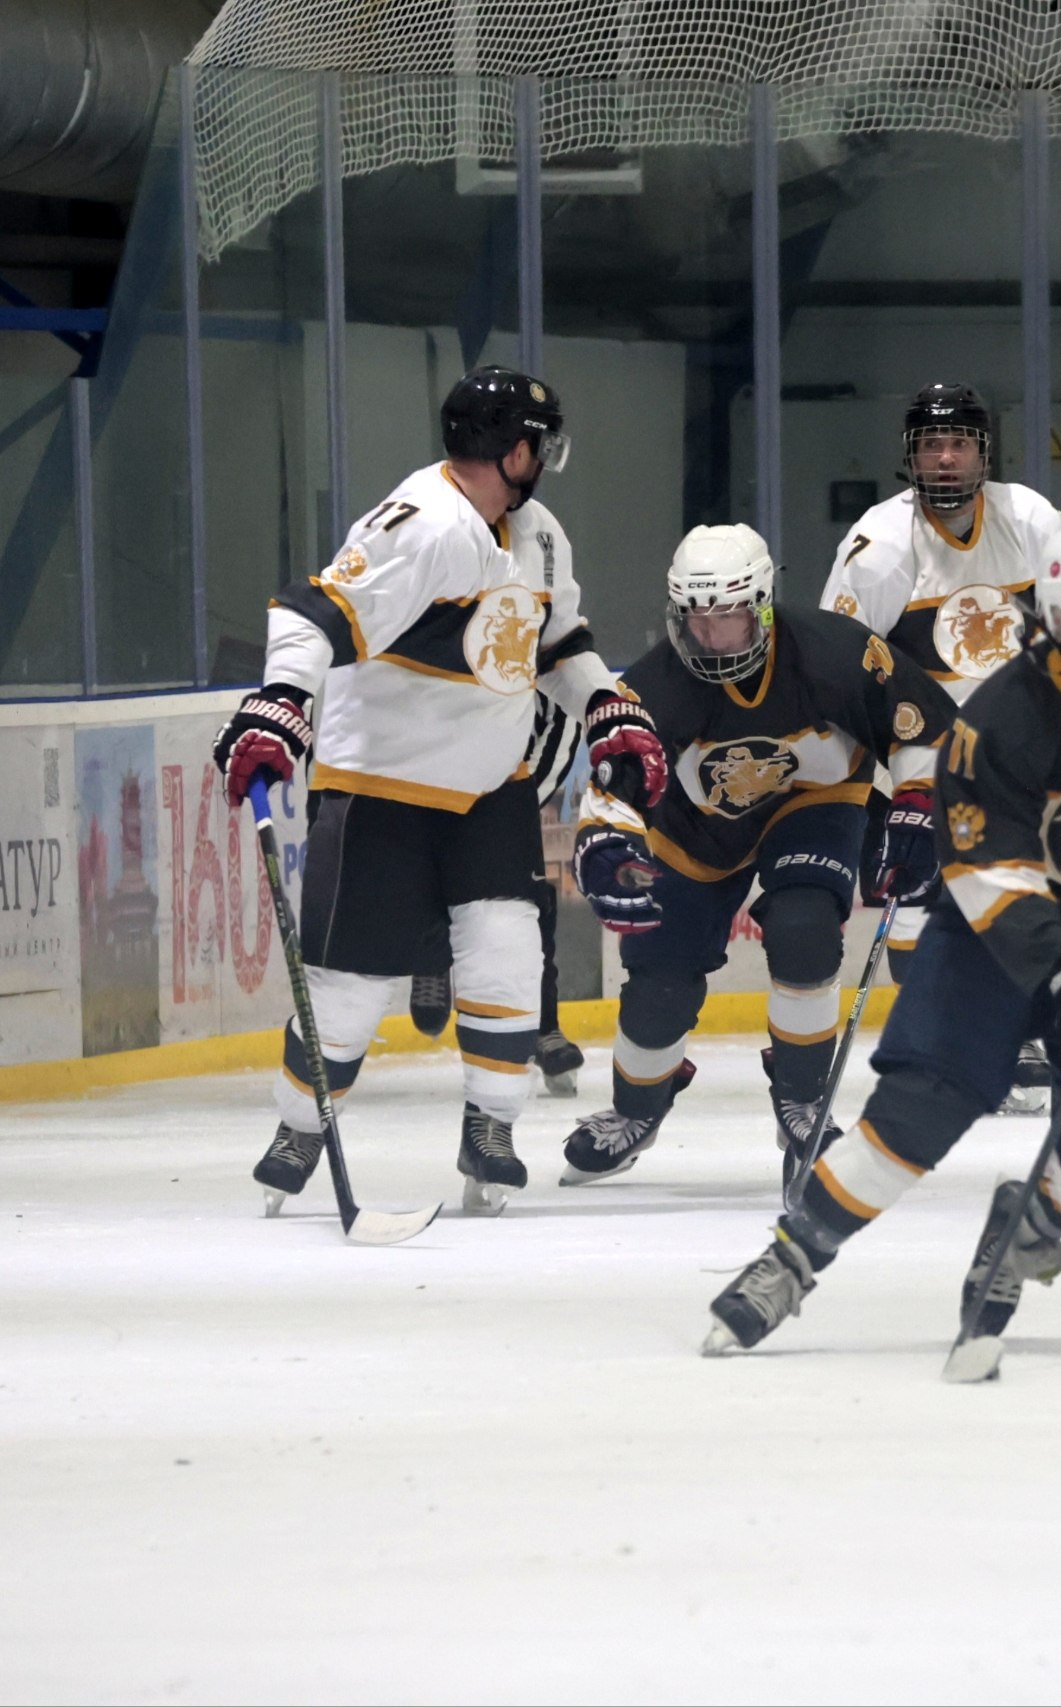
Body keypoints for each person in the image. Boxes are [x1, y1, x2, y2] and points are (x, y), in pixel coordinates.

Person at [703, 520, 1061, 1367]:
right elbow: (986, 870)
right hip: (990, 945)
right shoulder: (1004, 717)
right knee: (918, 1112)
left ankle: (1028, 1226)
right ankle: (792, 1257)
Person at [216, 365, 666, 1216]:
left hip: (493, 786)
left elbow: (557, 641)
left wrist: (604, 703)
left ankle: (490, 1128)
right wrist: (280, 702)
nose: (544, 458)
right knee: (348, 990)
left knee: (507, 954)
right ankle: (301, 1125)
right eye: (537, 443)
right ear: (512, 449)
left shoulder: (538, 534)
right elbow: (312, 612)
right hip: (381, 786)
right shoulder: (422, 525)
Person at [559, 524, 956, 1185]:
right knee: (658, 986)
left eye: (729, 617)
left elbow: (922, 726)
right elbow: (616, 785)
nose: (712, 637)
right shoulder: (655, 687)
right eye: (698, 619)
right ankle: (638, 1108)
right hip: (696, 826)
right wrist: (604, 840)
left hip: (815, 800)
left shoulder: (835, 651)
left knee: (805, 928)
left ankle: (801, 1100)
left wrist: (917, 803)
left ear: (763, 607)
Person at [821, 382, 1061, 1114]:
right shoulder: (880, 545)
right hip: (917, 761)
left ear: (985, 453)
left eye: (960, 443)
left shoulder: (1032, 521)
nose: (947, 458)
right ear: (911, 455)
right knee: (919, 904)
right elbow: (840, 661)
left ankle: (1017, 1037)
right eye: (932, 444)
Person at [405, 692, 586, 1095]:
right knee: (415, 872)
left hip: (505, 795)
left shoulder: (543, 669)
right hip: (421, 783)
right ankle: (430, 950)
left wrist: (510, 804)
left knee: (525, 902)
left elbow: (561, 727)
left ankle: (544, 1026)